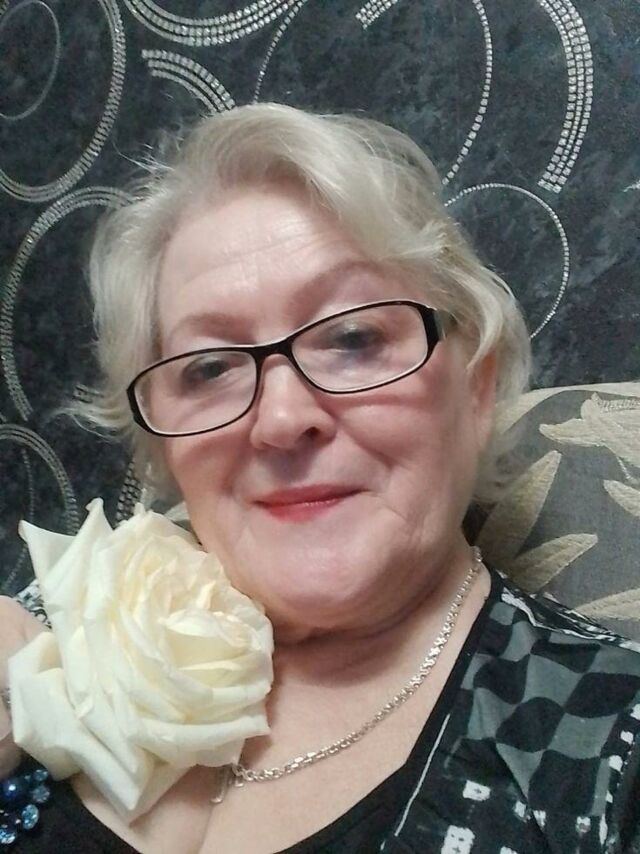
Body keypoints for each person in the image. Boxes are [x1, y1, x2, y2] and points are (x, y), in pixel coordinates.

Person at [1, 103, 639, 854]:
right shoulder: (61, 629)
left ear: (474, 386)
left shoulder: (603, 746)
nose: (280, 419)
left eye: (353, 337)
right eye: (209, 367)